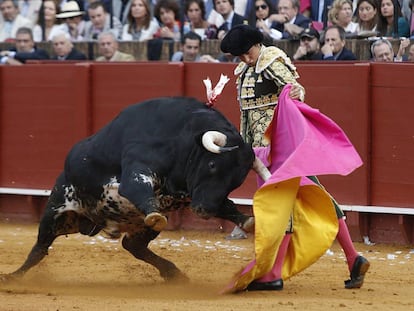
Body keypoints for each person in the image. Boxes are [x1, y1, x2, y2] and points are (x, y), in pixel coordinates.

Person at [219, 24, 369, 293]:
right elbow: (245, 117)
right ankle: (353, 258)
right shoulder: (243, 71)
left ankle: (276, 274)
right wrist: (245, 151)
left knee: (285, 205)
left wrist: (295, 92)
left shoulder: (272, 59)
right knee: (310, 198)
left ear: (256, 44)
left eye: (246, 52)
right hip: (261, 155)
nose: (243, 58)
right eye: (238, 55)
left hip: (282, 150)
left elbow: (294, 87)